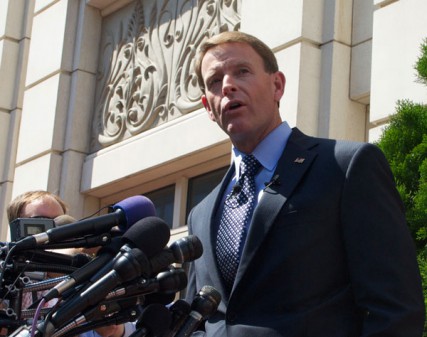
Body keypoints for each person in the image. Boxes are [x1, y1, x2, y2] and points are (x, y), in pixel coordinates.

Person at [185, 31, 426, 336]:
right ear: (208, 107)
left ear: (277, 85)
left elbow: (395, 309)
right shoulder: (200, 215)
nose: (228, 85)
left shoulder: (345, 167)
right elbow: (200, 323)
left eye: (242, 71)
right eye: (215, 81)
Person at [5, 190, 134, 337]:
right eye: (40, 222)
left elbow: (116, 330)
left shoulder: (85, 272)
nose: (52, 232)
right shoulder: (7, 276)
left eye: (60, 223)